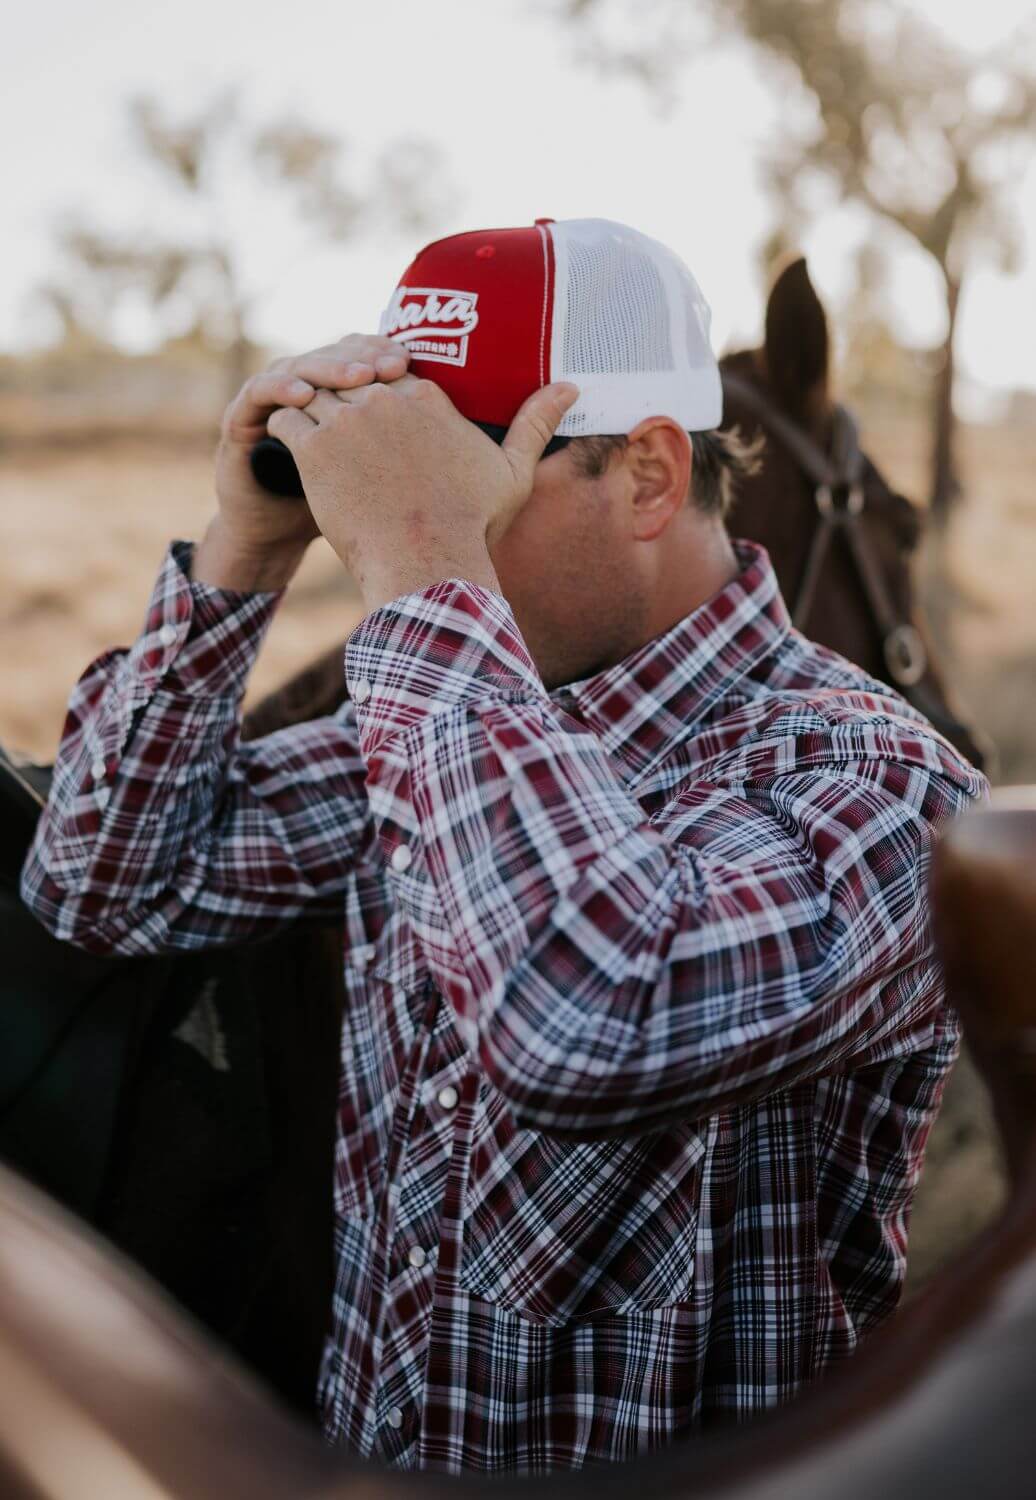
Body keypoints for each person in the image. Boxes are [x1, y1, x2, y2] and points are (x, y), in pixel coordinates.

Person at [21, 218, 985, 1474]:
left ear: (647, 473)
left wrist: (425, 558)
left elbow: (586, 1019)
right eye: (386, 463)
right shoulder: (447, 717)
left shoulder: (871, 780)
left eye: (461, 467)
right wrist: (246, 551)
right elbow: (100, 884)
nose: (390, 516)